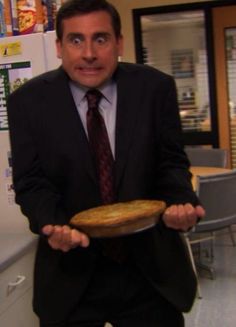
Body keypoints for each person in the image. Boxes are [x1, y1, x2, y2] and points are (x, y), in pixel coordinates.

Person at [7, 0, 205, 326]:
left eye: (100, 39)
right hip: (71, 274)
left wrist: (180, 201)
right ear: (59, 46)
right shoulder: (27, 103)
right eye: (75, 40)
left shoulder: (154, 89)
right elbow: (31, 181)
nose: (88, 53)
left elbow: (170, 163)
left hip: (149, 273)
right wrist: (52, 224)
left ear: (119, 43)